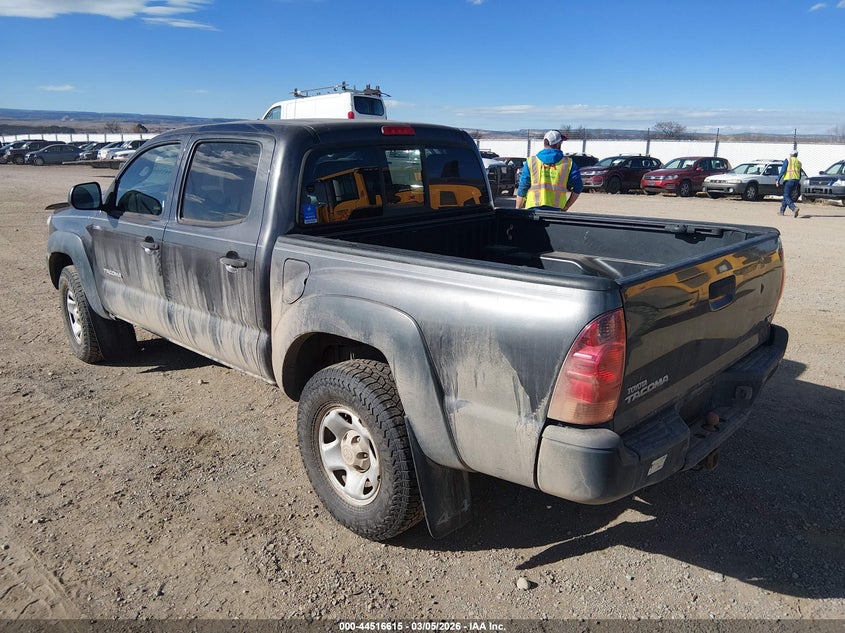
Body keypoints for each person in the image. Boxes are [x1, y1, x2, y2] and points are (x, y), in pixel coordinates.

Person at [515, 130, 583, 211]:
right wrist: (567, 206)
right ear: (558, 144)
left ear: (545, 143)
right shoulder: (568, 163)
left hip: (533, 210)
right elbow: (578, 186)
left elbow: (523, 187)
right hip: (556, 211)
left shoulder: (531, 162)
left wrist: (517, 209)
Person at [777, 149, 802, 217]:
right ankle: (781, 211)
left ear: (791, 155)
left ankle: (794, 208)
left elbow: (783, 170)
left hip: (789, 180)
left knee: (786, 195)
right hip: (796, 181)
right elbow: (800, 174)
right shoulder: (799, 162)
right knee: (787, 196)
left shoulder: (788, 160)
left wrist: (778, 180)